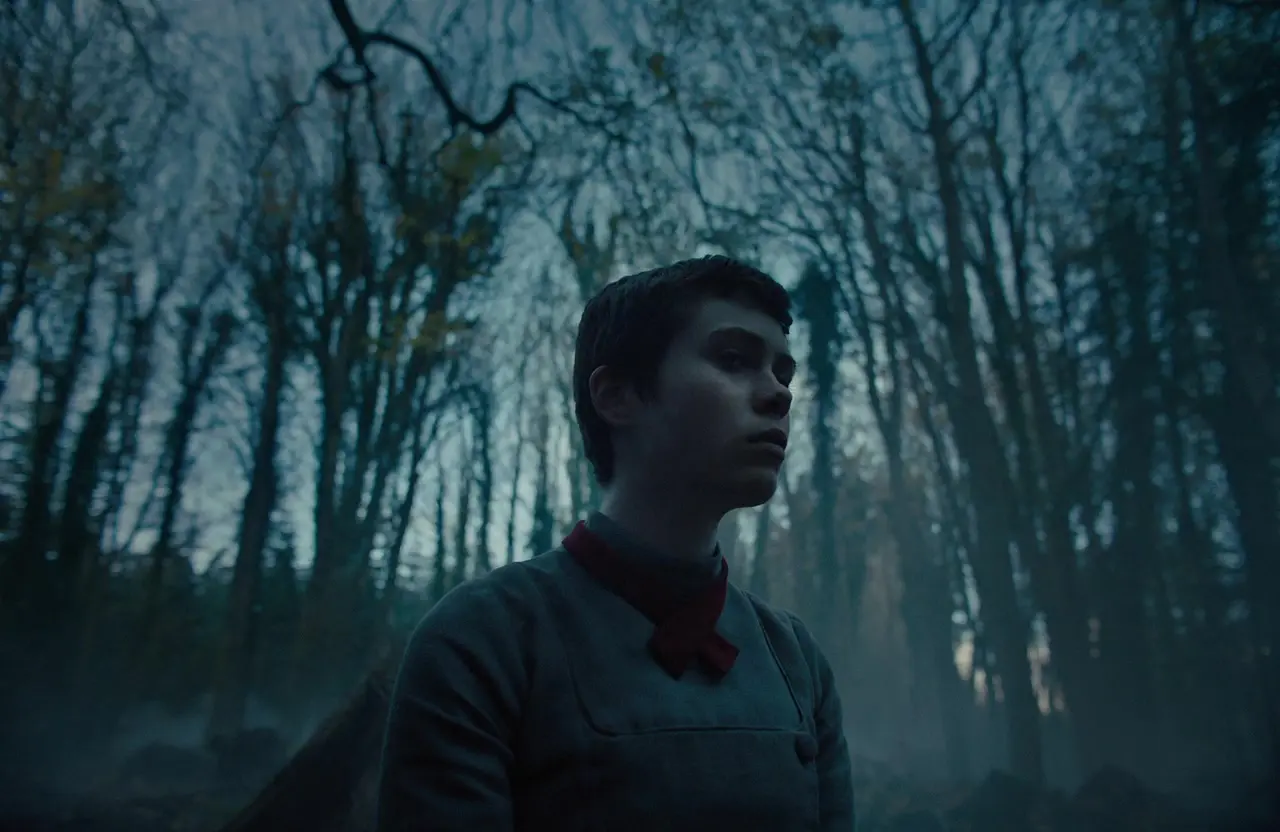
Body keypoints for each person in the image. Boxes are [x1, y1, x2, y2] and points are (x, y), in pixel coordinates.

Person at [375, 255, 855, 831]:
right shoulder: (483, 641)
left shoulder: (795, 660)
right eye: (733, 359)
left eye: (783, 374)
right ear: (617, 395)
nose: (779, 395)